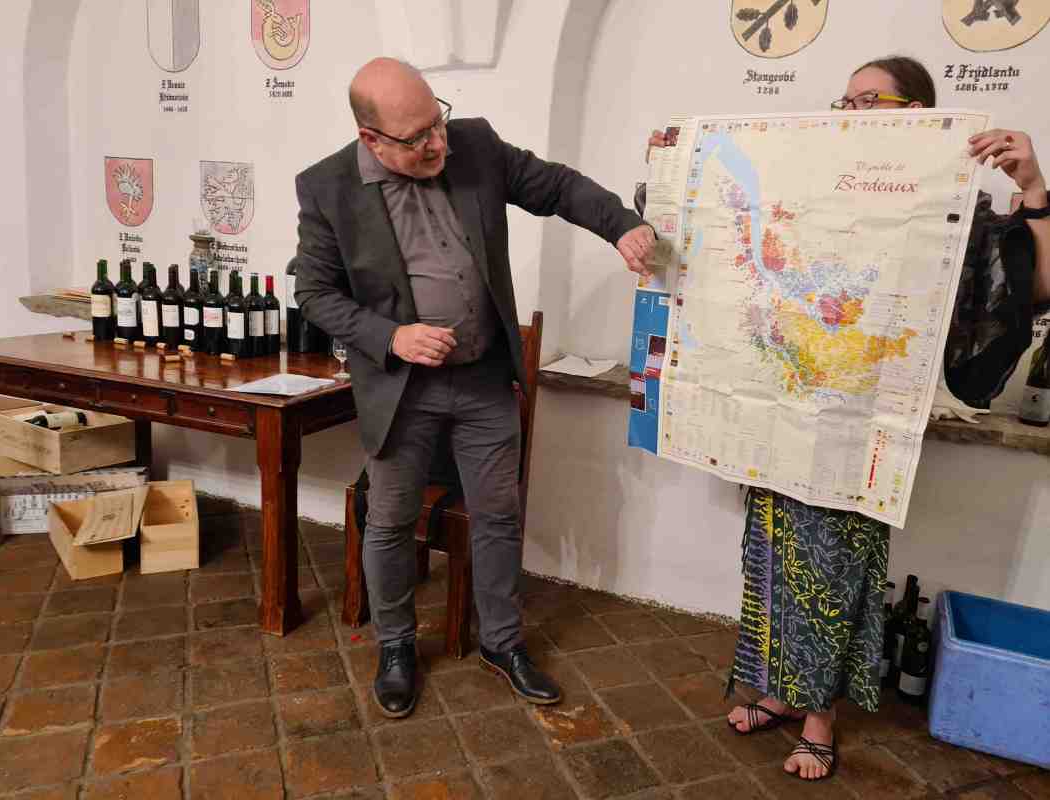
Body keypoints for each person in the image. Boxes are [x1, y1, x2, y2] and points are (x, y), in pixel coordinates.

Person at [647, 55, 1049, 781]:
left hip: (855, 436)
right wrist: (678, 170)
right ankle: (775, 689)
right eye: (847, 100)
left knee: (834, 579)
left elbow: (1032, 289)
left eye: (870, 100)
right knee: (767, 562)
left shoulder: (951, 211)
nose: (853, 111)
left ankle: (820, 718)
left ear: (917, 114)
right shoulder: (818, 192)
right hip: (781, 417)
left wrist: (1032, 188)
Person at [293, 58, 656, 719]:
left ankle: (501, 642)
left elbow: (556, 186)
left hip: (485, 379)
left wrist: (618, 223)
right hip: (402, 390)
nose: (437, 143)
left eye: (438, 121)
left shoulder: (475, 145)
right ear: (372, 138)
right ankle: (396, 647)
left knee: (497, 516)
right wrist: (391, 336)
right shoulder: (327, 188)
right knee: (390, 522)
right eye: (416, 138)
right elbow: (314, 293)